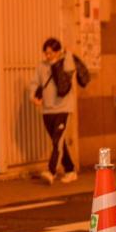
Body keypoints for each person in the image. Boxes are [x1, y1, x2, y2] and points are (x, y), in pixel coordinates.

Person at [29, 37, 77, 185]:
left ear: (57, 52)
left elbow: (70, 71)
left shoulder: (64, 63)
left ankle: (51, 172)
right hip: (47, 111)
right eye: (45, 53)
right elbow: (35, 82)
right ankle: (70, 170)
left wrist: (67, 53)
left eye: (50, 53)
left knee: (57, 142)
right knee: (59, 143)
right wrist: (33, 97)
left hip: (63, 109)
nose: (47, 56)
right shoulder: (41, 66)